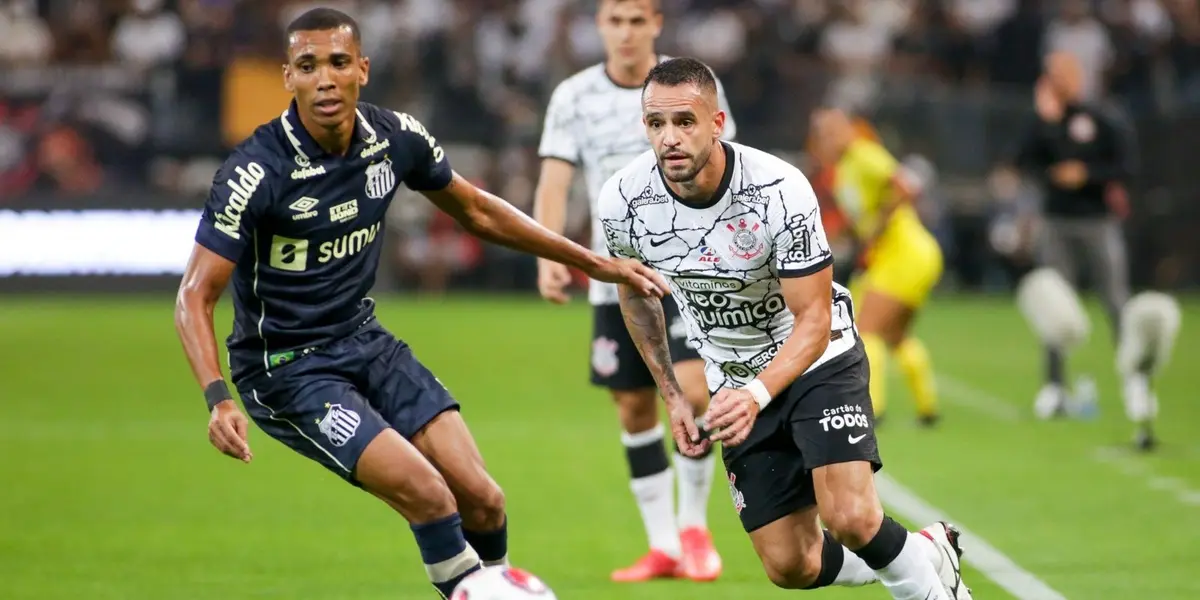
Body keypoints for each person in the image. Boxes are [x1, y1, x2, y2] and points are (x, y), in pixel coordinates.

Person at [173, 9, 668, 599]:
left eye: (337, 63)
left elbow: (478, 210)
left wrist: (593, 262)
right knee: (431, 496)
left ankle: (488, 589)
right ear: (289, 77)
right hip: (287, 369)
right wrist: (216, 397)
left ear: (363, 69)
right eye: (308, 66)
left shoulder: (394, 138)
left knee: (483, 500)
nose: (324, 79)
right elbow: (194, 294)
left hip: (365, 342)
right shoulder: (256, 172)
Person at [598, 57, 971, 600]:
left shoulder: (777, 189)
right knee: (790, 565)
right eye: (657, 124)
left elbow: (814, 320)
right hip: (733, 380)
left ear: (717, 123)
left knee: (851, 516)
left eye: (685, 122)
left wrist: (756, 394)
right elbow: (634, 295)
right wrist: (674, 395)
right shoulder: (624, 201)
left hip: (817, 359)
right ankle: (927, 552)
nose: (670, 138)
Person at [532, 0, 735, 582]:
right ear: (600, 26)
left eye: (636, 20)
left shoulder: (691, 85)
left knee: (695, 390)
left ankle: (694, 527)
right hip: (614, 271)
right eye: (614, 20)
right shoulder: (573, 95)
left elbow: (728, 164)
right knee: (633, 404)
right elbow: (556, 174)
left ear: (655, 25)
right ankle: (664, 545)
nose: (625, 32)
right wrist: (549, 253)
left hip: (690, 266)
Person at [1006, 51, 1141, 437]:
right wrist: (1044, 123)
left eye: (1062, 73)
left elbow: (1126, 165)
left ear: (1077, 75)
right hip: (1057, 221)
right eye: (1051, 74)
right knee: (1056, 307)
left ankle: (1134, 378)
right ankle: (1053, 385)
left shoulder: (1102, 115)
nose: (1057, 80)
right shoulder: (1045, 119)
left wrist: (1087, 174)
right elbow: (1022, 160)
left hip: (1098, 221)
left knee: (1115, 300)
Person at [808, 109, 945, 426]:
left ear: (848, 131)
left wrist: (879, 226)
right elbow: (857, 222)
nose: (827, 140)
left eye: (833, 132)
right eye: (822, 135)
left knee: (866, 329)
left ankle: (874, 410)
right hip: (903, 256)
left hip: (904, 253)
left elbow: (907, 187)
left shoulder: (864, 155)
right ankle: (928, 410)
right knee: (897, 336)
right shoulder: (842, 171)